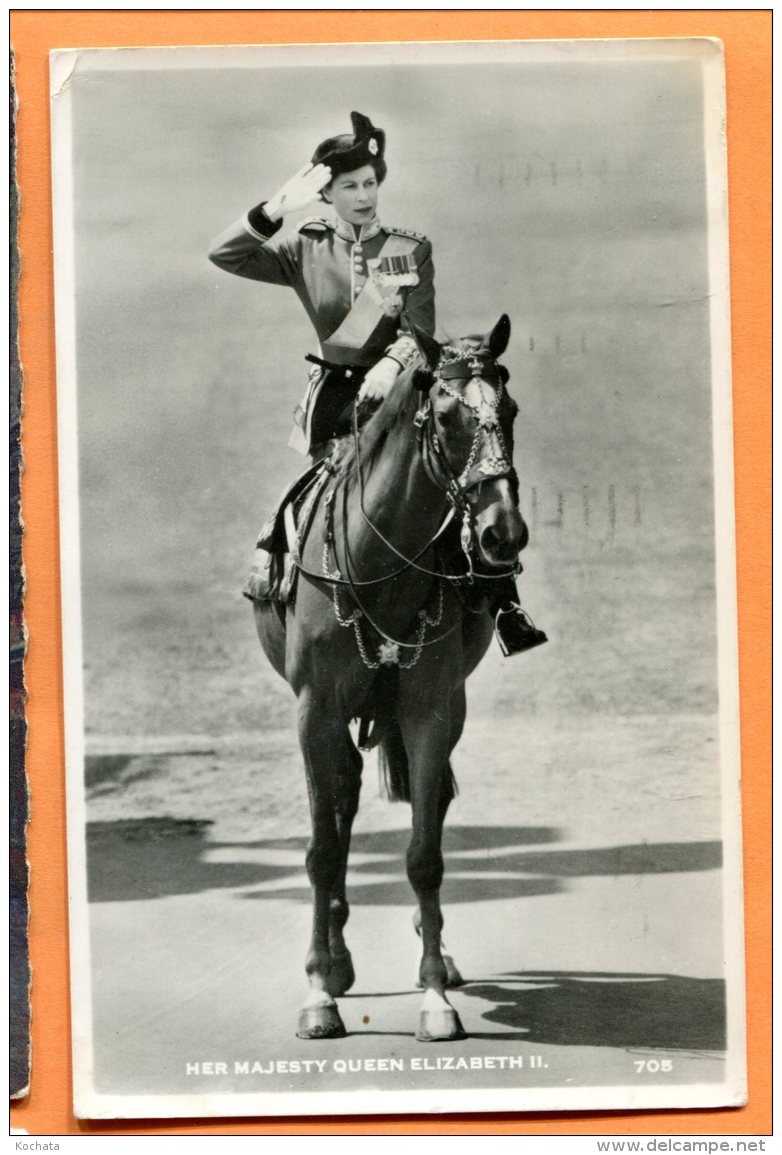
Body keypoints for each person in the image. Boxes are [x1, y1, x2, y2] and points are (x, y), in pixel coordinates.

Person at [209, 111, 545, 656]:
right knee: (313, 502)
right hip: (339, 402)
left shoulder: (408, 249)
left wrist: (392, 363)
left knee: (460, 486)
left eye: (370, 183)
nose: (364, 196)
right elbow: (225, 254)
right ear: (326, 195)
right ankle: (282, 583)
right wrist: (276, 209)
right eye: (349, 187)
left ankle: (504, 604)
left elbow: (423, 324)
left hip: (404, 391)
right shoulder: (304, 246)